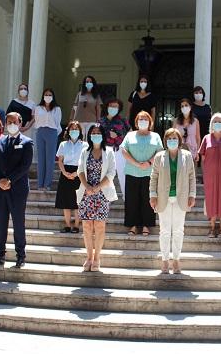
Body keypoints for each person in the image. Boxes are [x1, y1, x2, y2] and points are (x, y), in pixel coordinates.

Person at [0, 112, 34, 268]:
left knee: (18, 223)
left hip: (18, 189)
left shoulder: (27, 142)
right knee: (1, 224)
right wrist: (0, 179)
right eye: (9, 122)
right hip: (0, 189)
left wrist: (10, 180)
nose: (12, 124)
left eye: (15, 121)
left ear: (20, 123)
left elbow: (25, 166)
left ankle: (21, 256)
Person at [150, 128, 197, 274]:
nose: (172, 141)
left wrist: (192, 194)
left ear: (179, 140)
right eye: (169, 139)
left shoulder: (187, 156)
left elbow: (191, 176)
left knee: (178, 231)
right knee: (164, 231)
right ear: (165, 141)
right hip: (163, 198)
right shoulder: (159, 156)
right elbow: (154, 177)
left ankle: (176, 260)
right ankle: (164, 261)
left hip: (180, 198)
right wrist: (153, 195)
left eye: (174, 138)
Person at [77, 124, 117, 272]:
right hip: (86, 192)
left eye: (98, 132)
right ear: (89, 135)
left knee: (99, 226)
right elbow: (80, 170)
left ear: (103, 135)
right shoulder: (84, 151)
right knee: (87, 226)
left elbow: (112, 173)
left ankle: (97, 258)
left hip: (102, 193)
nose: (95, 135)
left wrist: (98, 187)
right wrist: (87, 186)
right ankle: (88, 257)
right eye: (93, 132)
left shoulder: (109, 152)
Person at [121, 111, 163, 236]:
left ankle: (146, 225)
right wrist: (136, 163)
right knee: (132, 200)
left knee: (148, 199)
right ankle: (133, 225)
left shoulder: (155, 136)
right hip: (132, 171)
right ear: (136, 122)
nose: (143, 121)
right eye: (140, 119)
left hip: (149, 173)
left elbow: (160, 152)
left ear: (150, 122)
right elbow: (123, 150)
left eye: (145, 119)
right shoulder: (130, 135)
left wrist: (149, 163)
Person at [55, 121, 85, 233]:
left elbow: (84, 162)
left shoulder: (85, 145)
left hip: (79, 173)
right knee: (65, 201)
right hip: (65, 173)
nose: (74, 131)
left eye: (77, 129)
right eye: (72, 129)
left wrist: (76, 173)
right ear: (68, 131)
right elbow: (60, 160)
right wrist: (64, 172)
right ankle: (67, 225)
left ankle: (76, 225)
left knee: (77, 202)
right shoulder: (63, 144)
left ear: (80, 131)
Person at [99, 98, 131, 199]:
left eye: (116, 107)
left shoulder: (122, 121)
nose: (113, 108)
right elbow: (96, 135)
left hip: (119, 150)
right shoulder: (101, 121)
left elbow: (130, 134)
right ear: (107, 107)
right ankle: (103, 198)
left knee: (123, 174)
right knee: (104, 174)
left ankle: (127, 197)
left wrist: (117, 137)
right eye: (111, 106)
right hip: (105, 150)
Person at [34, 88, 62, 191]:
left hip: (52, 132)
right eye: (46, 94)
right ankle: (40, 184)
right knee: (41, 159)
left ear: (53, 96)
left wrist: (54, 134)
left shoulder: (57, 109)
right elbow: (36, 121)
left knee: (50, 159)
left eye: (50, 95)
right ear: (43, 96)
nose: (48, 96)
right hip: (40, 132)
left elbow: (57, 123)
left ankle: (47, 184)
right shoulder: (38, 108)